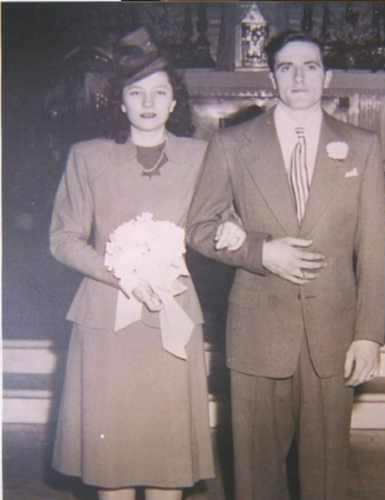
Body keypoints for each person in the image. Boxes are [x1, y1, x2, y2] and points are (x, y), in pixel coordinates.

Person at [185, 31, 385, 500]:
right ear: (272, 76)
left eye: (310, 66)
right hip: (258, 327)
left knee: (327, 474)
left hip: (334, 333)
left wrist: (369, 334)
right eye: (287, 67)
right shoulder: (233, 143)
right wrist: (260, 252)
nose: (299, 76)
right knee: (255, 474)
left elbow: (374, 249)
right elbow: (199, 227)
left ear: (327, 76)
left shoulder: (362, 145)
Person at [50, 27, 244, 500]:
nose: (149, 103)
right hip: (106, 318)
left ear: (175, 102)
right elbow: (63, 239)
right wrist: (121, 275)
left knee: (167, 460)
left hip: (171, 318)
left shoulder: (202, 156)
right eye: (137, 93)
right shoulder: (87, 157)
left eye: (160, 92)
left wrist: (232, 224)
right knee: (111, 461)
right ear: (121, 100)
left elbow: (221, 215)